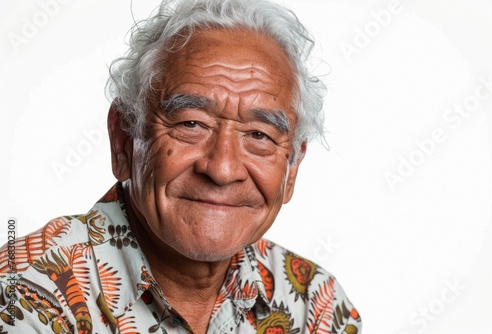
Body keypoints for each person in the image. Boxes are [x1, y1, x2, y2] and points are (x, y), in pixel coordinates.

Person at [0, 0, 361, 333]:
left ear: (292, 166)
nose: (221, 169)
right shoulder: (25, 297)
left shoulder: (316, 305)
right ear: (123, 139)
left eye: (259, 134)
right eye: (191, 124)